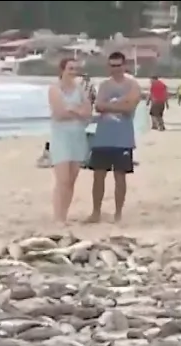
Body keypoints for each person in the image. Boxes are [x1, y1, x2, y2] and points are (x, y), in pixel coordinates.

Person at [86, 52, 141, 224]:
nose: (115, 69)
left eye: (118, 65)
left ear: (124, 66)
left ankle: (118, 214)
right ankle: (96, 212)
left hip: (123, 138)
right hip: (103, 136)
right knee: (98, 176)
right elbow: (98, 106)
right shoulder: (104, 85)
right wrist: (119, 105)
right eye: (112, 66)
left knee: (120, 177)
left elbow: (130, 107)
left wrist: (111, 106)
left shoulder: (132, 85)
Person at [48, 58, 92, 225]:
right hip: (61, 137)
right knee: (62, 179)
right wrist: (77, 111)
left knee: (72, 180)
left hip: (77, 136)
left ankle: (64, 215)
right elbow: (59, 113)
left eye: (75, 68)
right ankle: (57, 217)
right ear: (62, 70)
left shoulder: (80, 90)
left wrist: (73, 110)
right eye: (70, 68)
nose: (73, 71)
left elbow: (88, 113)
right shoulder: (54, 89)